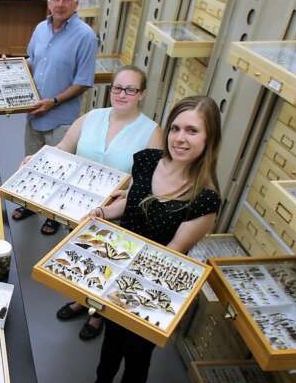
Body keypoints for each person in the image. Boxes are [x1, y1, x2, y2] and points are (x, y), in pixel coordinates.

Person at [88, 96, 222, 383]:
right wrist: (102, 211)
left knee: (137, 356)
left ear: (209, 138)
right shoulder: (147, 160)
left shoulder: (205, 200)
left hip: (151, 285)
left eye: (192, 131)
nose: (180, 138)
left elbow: (172, 251)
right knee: (110, 346)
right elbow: (132, 201)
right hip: (119, 267)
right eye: (175, 129)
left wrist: (123, 284)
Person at [38, 65, 163, 340]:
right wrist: (36, 161)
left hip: (117, 216)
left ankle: (98, 315)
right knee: (81, 258)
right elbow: (62, 149)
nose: (122, 94)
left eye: (131, 90)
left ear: (141, 94)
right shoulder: (92, 117)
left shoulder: (152, 132)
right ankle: (80, 301)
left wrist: (128, 193)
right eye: (118, 88)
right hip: (79, 210)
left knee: (106, 265)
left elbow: (152, 182)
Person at [13, 0, 98, 235]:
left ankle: (53, 215)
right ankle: (29, 203)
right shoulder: (41, 28)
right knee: (32, 161)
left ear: (76, 3)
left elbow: (83, 82)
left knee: (59, 168)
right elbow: (32, 60)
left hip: (61, 117)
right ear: (48, 2)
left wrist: (54, 102)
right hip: (34, 113)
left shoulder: (85, 36)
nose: (60, 4)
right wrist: (10, 68)